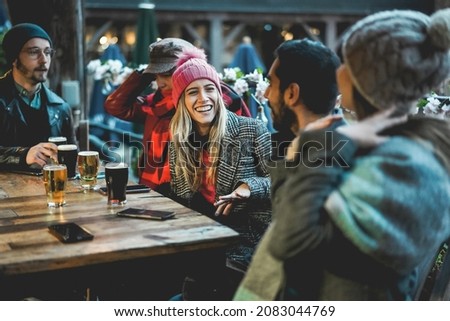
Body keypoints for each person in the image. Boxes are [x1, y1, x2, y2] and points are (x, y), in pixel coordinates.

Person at [235, 8, 450, 300]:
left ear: (366, 78)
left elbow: (289, 240)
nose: (337, 72)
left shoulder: (403, 162)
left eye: (346, 62)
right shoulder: (379, 145)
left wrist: (317, 144)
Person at [168, 46, 272, 299]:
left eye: (210, 89)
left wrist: (248, 188)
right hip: (201, 239)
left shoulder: (252, 129)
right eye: (193, 92)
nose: (203, 98)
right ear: (182, 102)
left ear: (219, 93)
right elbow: (182, 199)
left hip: (246, 240)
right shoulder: (178, 142)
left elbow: (281, 180)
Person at [104, 38, 250, 196]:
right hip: (153, 191)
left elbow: (244, 155)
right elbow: (115, 106)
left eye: (166, 74)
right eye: (156, 75)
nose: (160, 82)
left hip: (199, 198)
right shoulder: (156, 102)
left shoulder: (217, 100)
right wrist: (144, 76)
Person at [0, 23, 76, 171]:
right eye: (34, 52)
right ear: (14, 58)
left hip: (51, 190)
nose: (44, 60)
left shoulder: (60, 107)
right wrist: (23, 155)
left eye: (47, 52)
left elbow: (73, 157)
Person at [265, 39, 343, 161]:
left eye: (271, 84)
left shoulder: (330, 159)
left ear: (292, 93)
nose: (266, 94)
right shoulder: (276, 145)